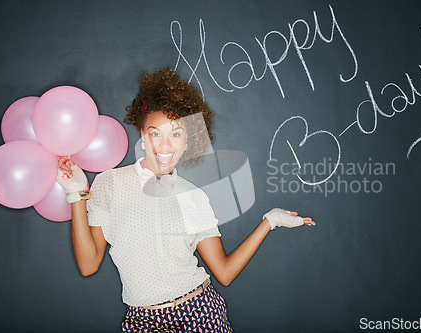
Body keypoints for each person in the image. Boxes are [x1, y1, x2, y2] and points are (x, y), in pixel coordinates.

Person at [57, 68, 315, 332]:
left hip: (200, 314)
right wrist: (77, 193)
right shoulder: (110, 183)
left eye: (176, 134)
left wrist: (269, 222)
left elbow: (224, 273)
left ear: (187, 141)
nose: (166, 146)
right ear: (143, 137)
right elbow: (88, 265)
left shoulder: (193, 198)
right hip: (142, 322)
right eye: (156, 133)